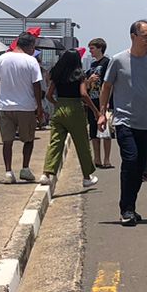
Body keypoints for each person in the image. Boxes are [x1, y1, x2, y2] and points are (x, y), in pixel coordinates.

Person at [98, 20, 147, 225]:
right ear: (133, 37)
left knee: (140, 168)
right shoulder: (118, 60)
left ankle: (130, 205)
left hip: (146, 122)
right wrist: (102, 112)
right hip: (124, 120)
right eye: (145, 36)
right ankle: (126, 209)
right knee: (130, 161)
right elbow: (106, 87)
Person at [42, 49, 100, 190]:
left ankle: (46, 174)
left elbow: (49, 95)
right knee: (82, 144)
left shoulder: (57, 74)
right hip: (75, 110)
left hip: (60, 108)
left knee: (55, 142)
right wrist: (95, 111)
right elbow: (83, 94)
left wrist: (58, 104)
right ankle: (86, 177)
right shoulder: (79, 74)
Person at [0, 31, 46, 183]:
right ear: (30, 45)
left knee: (7, 141)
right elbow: (36, 85)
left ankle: (8, 172)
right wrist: (39, 107)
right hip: (26, 106)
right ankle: (25, 168)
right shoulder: (31, 61)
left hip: (5, 106)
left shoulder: (3, 58)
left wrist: (1, 92)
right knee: (28, 139)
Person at [85, 38, 114, 169]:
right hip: (93, 99)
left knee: (106, 130)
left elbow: (110, 83)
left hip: (104, 100)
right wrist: (89, 80)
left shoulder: (107, 62)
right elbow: (86, 84)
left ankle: (107, 159)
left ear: (100, 48)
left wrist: (108, 101)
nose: (90, 51)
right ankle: (97, 158)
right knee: (93, 130)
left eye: (92, 48)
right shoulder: (91, 65)